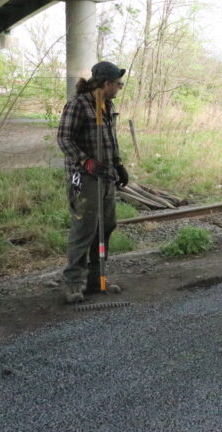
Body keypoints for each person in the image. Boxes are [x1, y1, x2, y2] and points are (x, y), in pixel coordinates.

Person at [57, 61, 129, 303]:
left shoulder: (107, 105)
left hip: (105, 175)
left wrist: (118, 164)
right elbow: (64, 139)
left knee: (106, 226)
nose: (119, 88)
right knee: (84, 229)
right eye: (118, 84)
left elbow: (111, 140)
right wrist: (85, 161)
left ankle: (97, 280)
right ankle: (73, 284)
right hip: (83, 177)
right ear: (106, 83)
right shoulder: (78, 104)